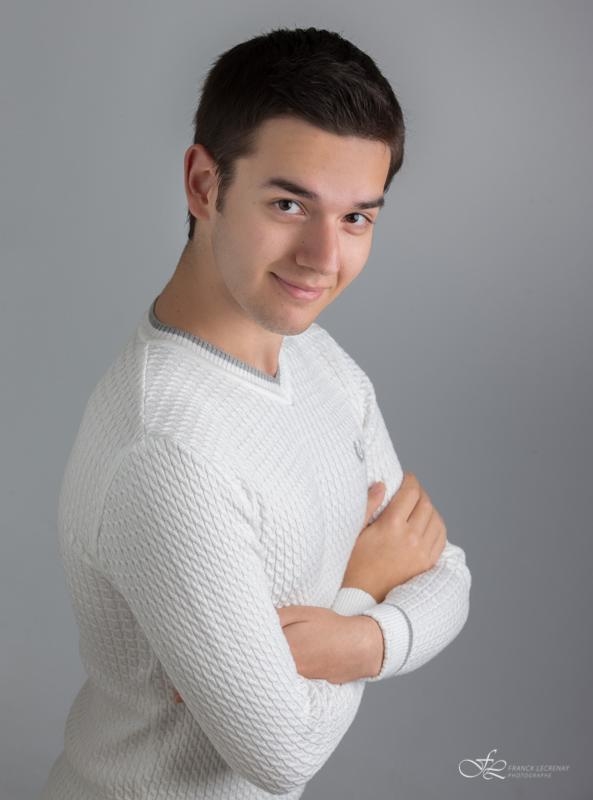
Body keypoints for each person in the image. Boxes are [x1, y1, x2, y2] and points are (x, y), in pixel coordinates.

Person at [41, 26, 472, 800]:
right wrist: (366, 586)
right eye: (288, 204)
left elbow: (444, 573)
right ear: (204, 185)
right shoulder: (165, 448)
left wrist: (353, 639)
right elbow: (283, 751)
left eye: (356, 218)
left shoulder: (321, 362)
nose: (323, 258)